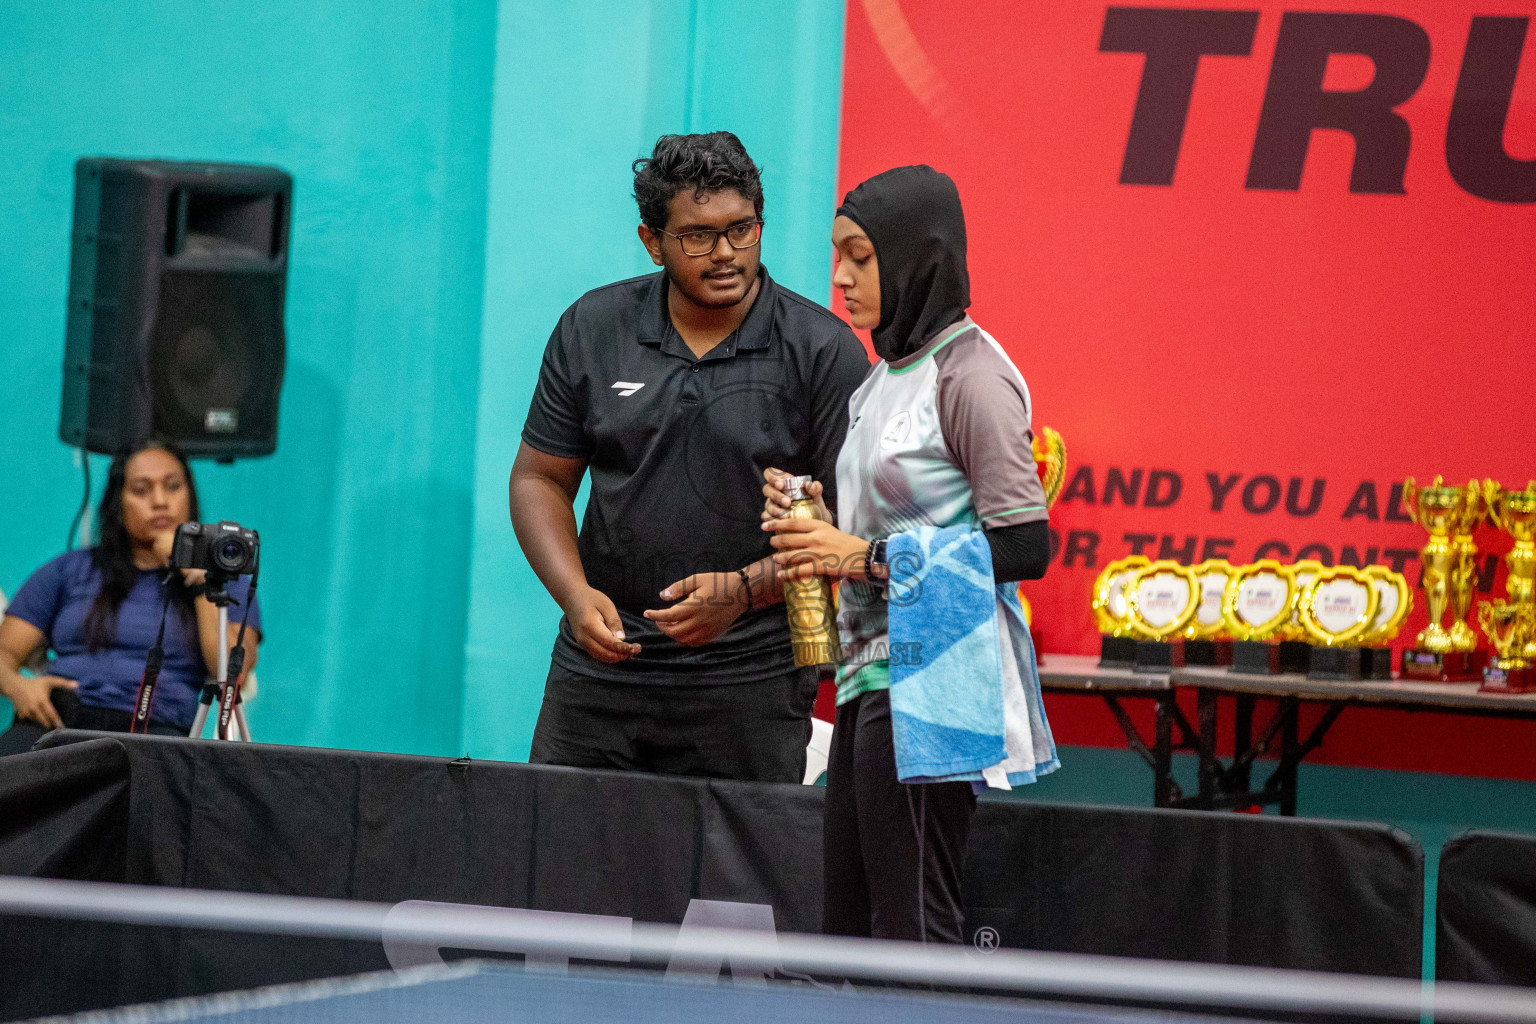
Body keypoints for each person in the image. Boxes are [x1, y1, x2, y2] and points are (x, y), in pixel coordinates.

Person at [511, 131, 870, 783]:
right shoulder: (592, 328)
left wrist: (741, 592)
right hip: (602, 665)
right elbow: (540, 478)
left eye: (742, 229)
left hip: (751, 675)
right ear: (652, 240)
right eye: (698, 236)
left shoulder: (822, 350)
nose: (726, 253)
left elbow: (848, 532)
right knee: (562, 867)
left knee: (737, 882)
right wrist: (573, 593)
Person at [762, 165, 1052, 942]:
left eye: (860, 256)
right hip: (867, 676)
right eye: (837, 255)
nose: (840, 276)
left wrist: (856, 556)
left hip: (942, 677)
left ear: (913, 256)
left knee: (917, 927)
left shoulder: (974, 375)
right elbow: (867, 531)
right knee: (849, 924)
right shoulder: (878, 383)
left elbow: (1026, 544)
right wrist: (814, 520)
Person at [0, 440, 260, 755]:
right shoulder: (69, 570)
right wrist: (20, 688)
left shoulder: (223, 580)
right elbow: (5, 653)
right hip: (59, 720)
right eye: (141, 490)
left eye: (173, 487)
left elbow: (231, 671)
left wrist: (198, 578)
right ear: (118, 504)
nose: (160, 501)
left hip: (157, 732)